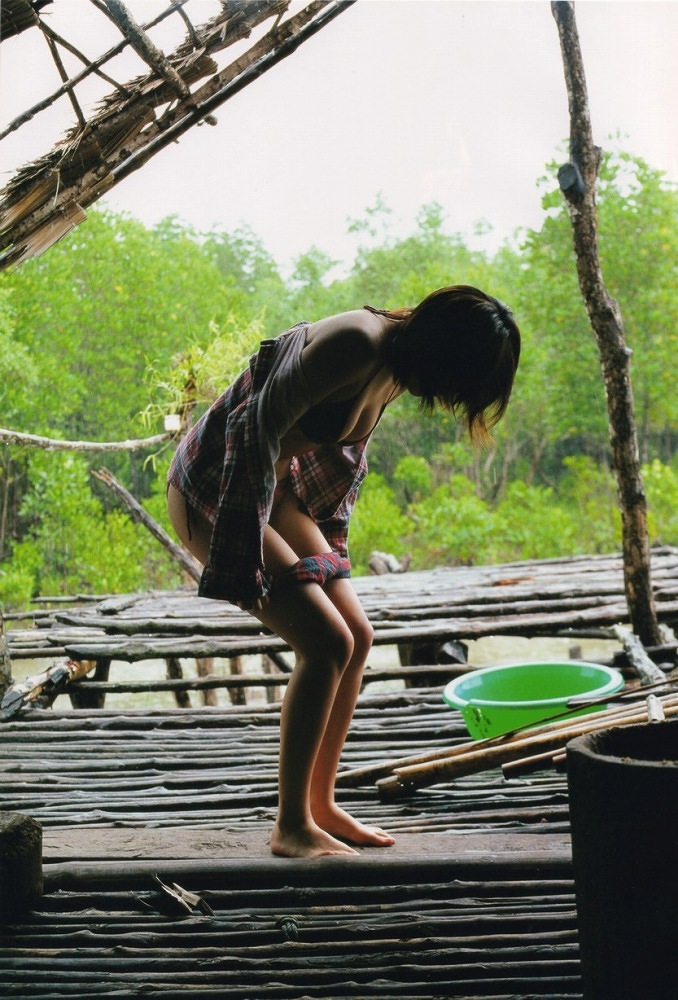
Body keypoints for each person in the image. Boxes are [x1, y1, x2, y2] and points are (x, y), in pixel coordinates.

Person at [166, 285, 521, 858]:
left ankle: (321, 803)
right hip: (217, 486)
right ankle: (290, 825)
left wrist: (321, 548)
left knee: (357, 635)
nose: (448, 399)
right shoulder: (358, 342)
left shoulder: (397, 369)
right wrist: (244, 552)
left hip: (277, 491)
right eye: (457, 383)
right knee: (325, 642)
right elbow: (253, 431)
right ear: (442, 351)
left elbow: (324, 461)